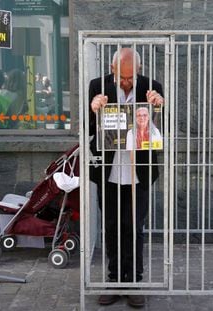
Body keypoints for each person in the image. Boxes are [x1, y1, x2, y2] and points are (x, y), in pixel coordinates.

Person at [89, 47, 164, 307]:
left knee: (134, 227)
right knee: (111, 226)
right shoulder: (97, 85)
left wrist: (159, 106)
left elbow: (161, 130)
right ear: (112, 70)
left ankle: (133, 282)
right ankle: (113, 280)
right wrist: (94, 108)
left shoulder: (151, 87)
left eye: (131, 77)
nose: (126, 82)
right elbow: (90, 131)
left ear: (139, 71)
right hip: (109, 170)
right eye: (122, 77)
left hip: (139, 171)